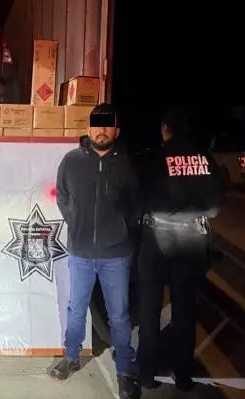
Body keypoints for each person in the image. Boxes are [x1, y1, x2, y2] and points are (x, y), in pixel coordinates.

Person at [52, 103, 142, 399]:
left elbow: (136, 206)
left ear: (117, 130)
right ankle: (71, 356)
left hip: (116, 255)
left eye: (107, 125)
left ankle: (125, 370)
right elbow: (62, 196)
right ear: (88, 128)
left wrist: (120, 230)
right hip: (80, 253)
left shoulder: (127, 165)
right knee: (76, 309)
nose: (101, 131)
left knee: (119, 315)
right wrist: (76, 222)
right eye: (97, 124)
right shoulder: (71, 161)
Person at [136, 107, 223, 392]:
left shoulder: (152, 158)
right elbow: (214, 208)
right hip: (190, 242)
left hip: (156, 240)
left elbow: (138, 199)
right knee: (184, 311)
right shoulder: (205, 160)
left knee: (149, 309)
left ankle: (146, 374)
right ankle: (183, 376)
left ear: (165, 128)